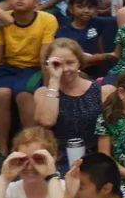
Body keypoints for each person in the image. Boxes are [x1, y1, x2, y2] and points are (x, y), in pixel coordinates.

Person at [34, 38, 103, 167]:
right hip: (60, 159)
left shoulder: (100, 90)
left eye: (70, 63)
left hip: (94, 159)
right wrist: (54, 80)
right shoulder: (42, 93)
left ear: (79, 64)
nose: (64, 69)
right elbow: (47, 121)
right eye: (57, 64)